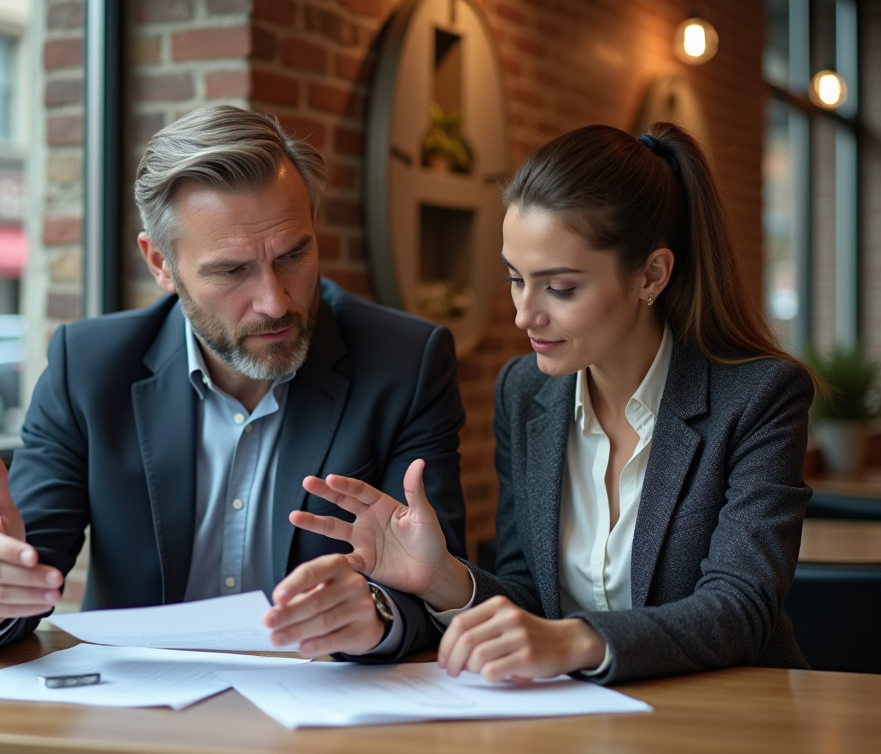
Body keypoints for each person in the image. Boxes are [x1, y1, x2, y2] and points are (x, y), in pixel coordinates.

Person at [0, 106, 467, 662]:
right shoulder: (88, 367)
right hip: (140, 714)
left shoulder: (406, 363)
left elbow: (438, 575)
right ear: (160, 263)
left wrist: (379, 615)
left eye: (294, 255)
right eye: (231, 270)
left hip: (324, 715)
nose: (275, 301)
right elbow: (18, 562)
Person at [291, 122, 817, 685]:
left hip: (733, 718)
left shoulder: (760, 396)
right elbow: (530, 594)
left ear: (651, 275)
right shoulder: (525, 392)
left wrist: (578, 640)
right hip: (580, 723)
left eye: (559, 288)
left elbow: (741, 608)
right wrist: (441, 577)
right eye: (515, 279)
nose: (524, 315)